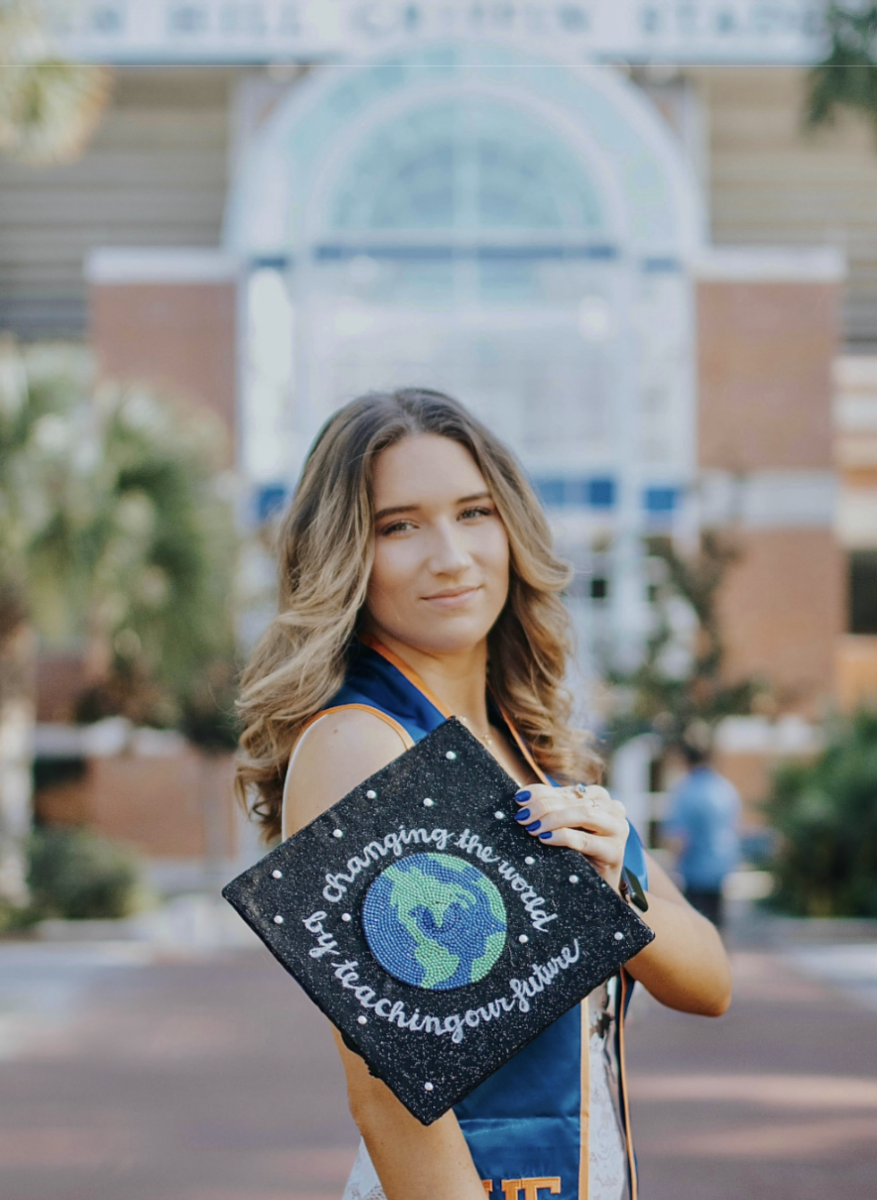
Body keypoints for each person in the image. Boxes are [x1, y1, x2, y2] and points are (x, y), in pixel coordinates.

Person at [236, 388, 732, 1200]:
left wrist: (616, 901)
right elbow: (388, 1096)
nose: (451, 556)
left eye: (473, 513)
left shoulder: (532, 747)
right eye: (398, 525)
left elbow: (708, 982)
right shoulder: (363, 741)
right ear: (345, 554)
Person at [664, 738, 741, 930]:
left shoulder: (686, 790)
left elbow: (679, 837)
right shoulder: (724, 788)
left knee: (697, 928)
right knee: (717, 925)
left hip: (695, 871)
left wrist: (669, 869)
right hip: (721, 867)